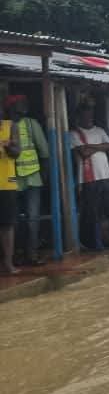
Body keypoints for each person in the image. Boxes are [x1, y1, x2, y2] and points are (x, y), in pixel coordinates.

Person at [70, 102, 109, 250]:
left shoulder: (99, 130)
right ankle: (96, 243)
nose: (89, 117)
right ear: (79, 116)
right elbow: (84, 153)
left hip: (107, 176)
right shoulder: (74, 134)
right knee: (93, 213)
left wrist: (92, 147)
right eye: (86, 114)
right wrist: (100, 147)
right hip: (88, 179)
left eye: (90, 114)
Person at [7, 95, 50, 265]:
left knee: (33, 219)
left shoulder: (32, 124)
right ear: (11, 106)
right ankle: (15, 255)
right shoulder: (5, 126)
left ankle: (31, 255)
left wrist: (45, 177)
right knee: (13, 221)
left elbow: (45, 153)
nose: (25, 105)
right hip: (12, 180)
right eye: (20, 103)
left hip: (32, 178)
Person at [1, 105, 21, 274]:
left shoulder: (10, 126)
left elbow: (16, 152)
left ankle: (8, 264)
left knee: (7, 225)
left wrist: (8, 146)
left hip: (7, 183)